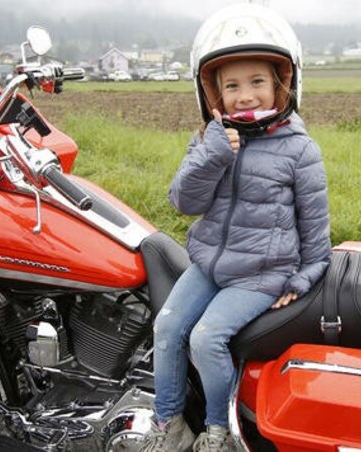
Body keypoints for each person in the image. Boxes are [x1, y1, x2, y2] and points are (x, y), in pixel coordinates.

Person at [141, 4, 331, 452]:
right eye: (232, 86)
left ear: (283, 85)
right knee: (167, 328)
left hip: (261, 274)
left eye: (257, 82)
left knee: (207, 339)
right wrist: (213, 155)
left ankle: (216, 430)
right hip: (210, 263)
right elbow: (184, 203)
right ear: (213, 93)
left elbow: (317, 233)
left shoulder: (300, 151)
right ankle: (170, 424)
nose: (245, 96)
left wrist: (300, 280)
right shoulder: (210, 138)